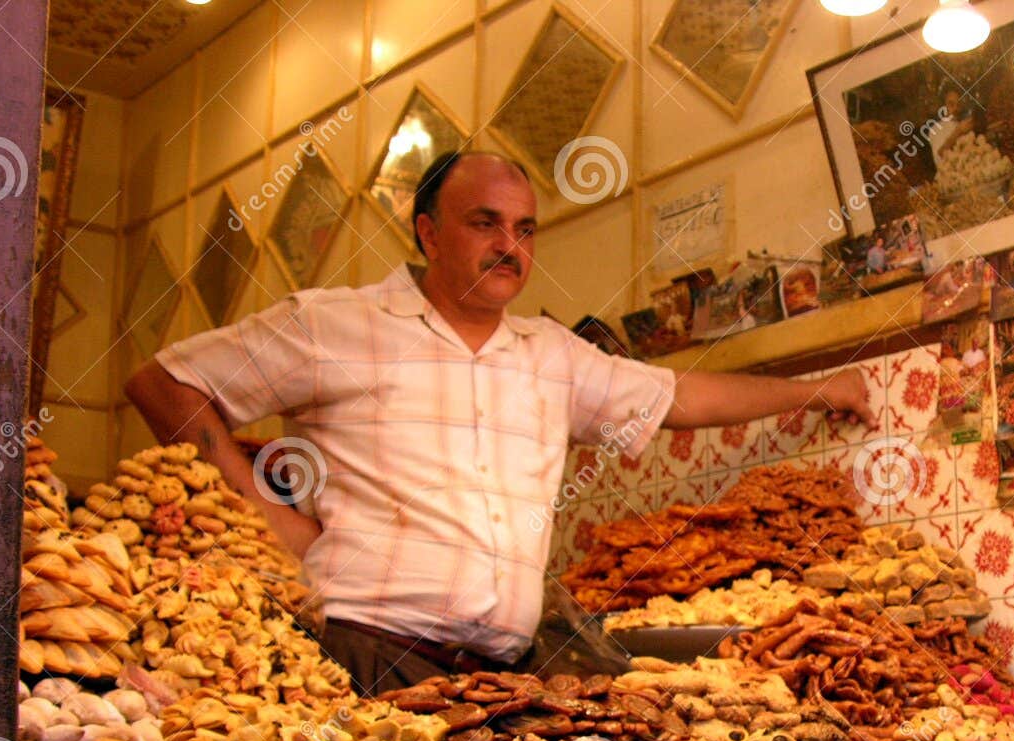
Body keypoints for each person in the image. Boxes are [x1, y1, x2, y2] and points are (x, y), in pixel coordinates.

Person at [125, 150, 873, 695]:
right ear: (428, 234)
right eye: (485, 223)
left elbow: (681, 398)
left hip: (502, 674)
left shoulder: (551, 354)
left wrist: (814, 392)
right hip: (362, 653)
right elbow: (164, 382)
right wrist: (265, 514)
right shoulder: (336, 325)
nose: (509, 247)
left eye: (524, 229)